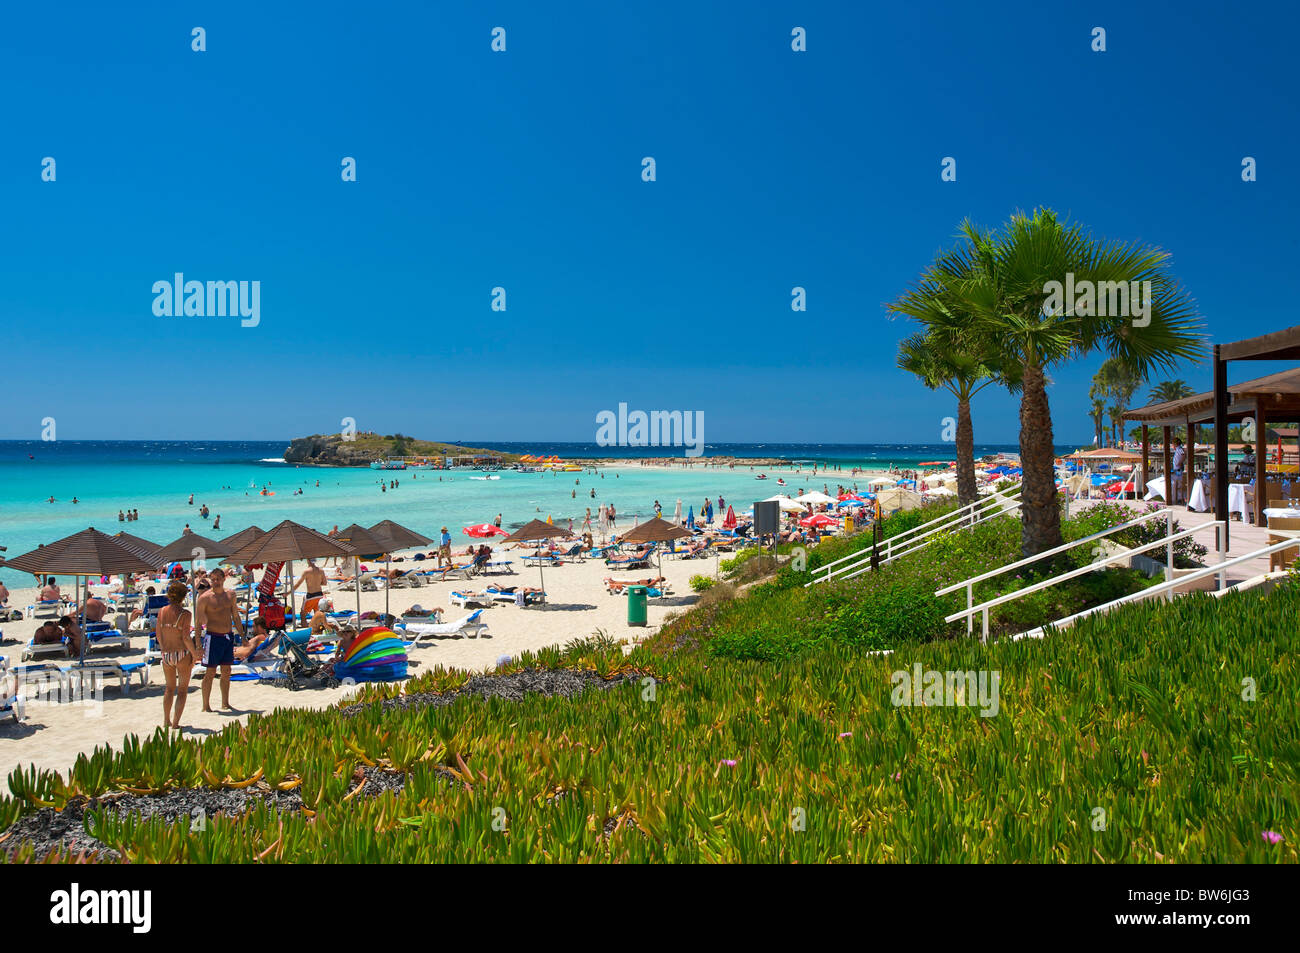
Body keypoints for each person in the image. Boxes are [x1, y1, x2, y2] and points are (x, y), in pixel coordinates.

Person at [195, 567, 244, 712]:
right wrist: (198, 645)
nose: (215, 582)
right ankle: (206, 705)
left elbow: (235, 616)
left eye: (218, 579)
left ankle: (225, 703)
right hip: (213, 638)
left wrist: (242, 636)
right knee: (210, 673)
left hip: (228, 636)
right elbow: (198, 623)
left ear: (224, 579)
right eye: (213, 579)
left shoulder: (230, 595)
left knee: (226, 671)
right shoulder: (204, 598)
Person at [156, 580, 200, 729]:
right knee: (182, 690)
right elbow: (186, 638)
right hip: (182, 653)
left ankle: (166, 720)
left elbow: (158, 634)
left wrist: (163, 649)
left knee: (169, 689)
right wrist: (194, 655)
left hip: (167, 654)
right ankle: (175, 723)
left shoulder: (162, 611)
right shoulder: (185, 614)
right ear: (183, 597)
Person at [1171, 437, 1187, 504]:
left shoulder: (1179, 449)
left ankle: (1177, 498)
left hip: (1178, 469)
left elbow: (1183, 455)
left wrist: (1180, 462)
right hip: (1176, 468)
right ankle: (1176, 498)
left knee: (1177, 484)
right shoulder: (1178, 449)